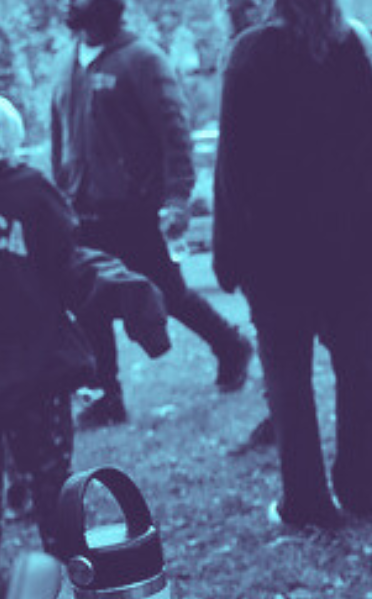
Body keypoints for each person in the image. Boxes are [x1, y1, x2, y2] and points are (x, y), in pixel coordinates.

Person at [213, 0, 372, 528]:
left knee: (288, 373)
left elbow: (231, 164)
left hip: (274, 249)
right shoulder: (363, 43)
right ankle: (363, 492)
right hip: (355, 240)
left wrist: (227, 254)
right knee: (358, 360)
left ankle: (306, 503)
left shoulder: (250, 54)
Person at [50, 0, 254, 429]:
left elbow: (175, 133)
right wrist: (58, 196)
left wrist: (177, 199)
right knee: (89, 301)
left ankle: (231, 346)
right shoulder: (65, 63)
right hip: (80, 206)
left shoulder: (143, 59)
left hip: (135, 208)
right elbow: (58, 135)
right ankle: (108, 396)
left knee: (168, 293)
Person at [0, 96, 93, 557]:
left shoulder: (31, 190)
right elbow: (67, 259)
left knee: (32, 467)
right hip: (38, 357)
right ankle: (69, 565)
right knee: (52, 471)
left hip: (23, 357)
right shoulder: (32, 189)